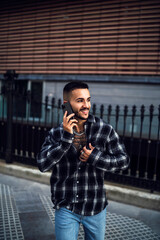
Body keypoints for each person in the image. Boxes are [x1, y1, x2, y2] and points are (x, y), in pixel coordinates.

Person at [37, 81, 129, 240]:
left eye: (88, 100)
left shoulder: (104, 129)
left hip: (95, 207)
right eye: (80, 100)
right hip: (66, 207)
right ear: (66, 105)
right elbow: (42, 164)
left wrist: (94, 157)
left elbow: (123, 161)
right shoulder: (56, 133)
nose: (86, 105)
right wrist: (66, 140)